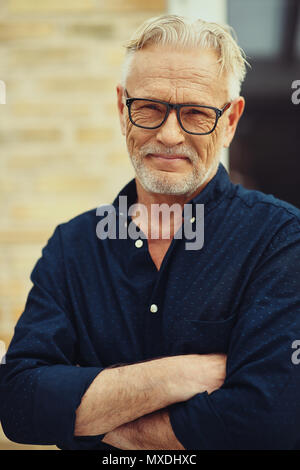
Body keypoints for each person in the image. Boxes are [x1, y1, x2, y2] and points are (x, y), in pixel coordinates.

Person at [1, 15, 300, 451]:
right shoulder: (72, 247)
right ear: (123, 109)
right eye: (150, 108)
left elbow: (266, 422)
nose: (169, 133)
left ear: (231, 120)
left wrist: (86, 418)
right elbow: (19, 404)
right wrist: (180, 376)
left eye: (197, 113)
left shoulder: (281, 240)